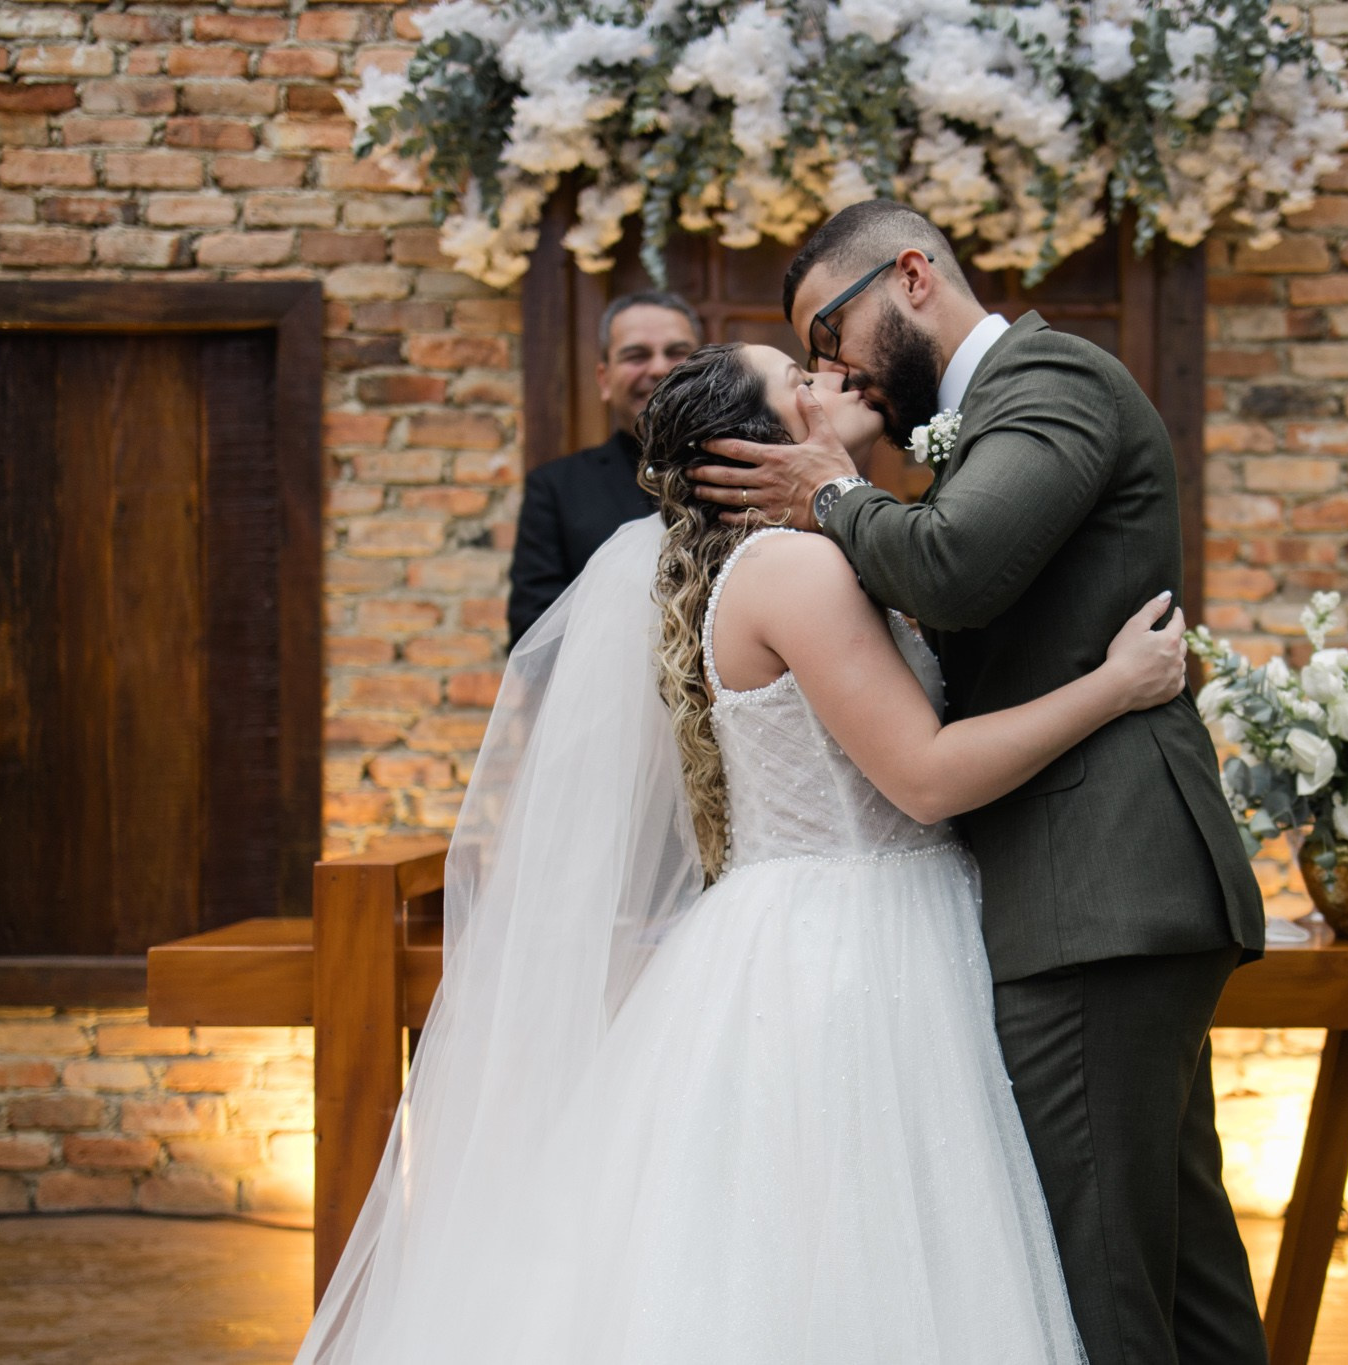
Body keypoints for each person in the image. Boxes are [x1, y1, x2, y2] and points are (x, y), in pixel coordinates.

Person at [294, 340, 1192, 1364]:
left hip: (834, 924)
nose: (831, 379)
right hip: (850, 949)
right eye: (800, 380)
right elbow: (926, 777)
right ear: (757, 448)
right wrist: (1115, 686)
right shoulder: (795, 570)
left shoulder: (795, 556)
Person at [692, 200, 1271, 1365]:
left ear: (910, 276)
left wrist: (831, 493)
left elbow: (953, 568)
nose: (832, 369)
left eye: (829, 333)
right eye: (807, 361)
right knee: (1176, 1275)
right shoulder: (957, 436)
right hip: (1087, 893)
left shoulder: (1048, 380)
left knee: (1104, 1288)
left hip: (1094, 889)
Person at [506, 290, 701, 647]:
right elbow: (532, 631)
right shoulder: (556, 488)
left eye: (677, 353)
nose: (659, 368)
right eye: (636, 355)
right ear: (604, 379)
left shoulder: (748, 472)